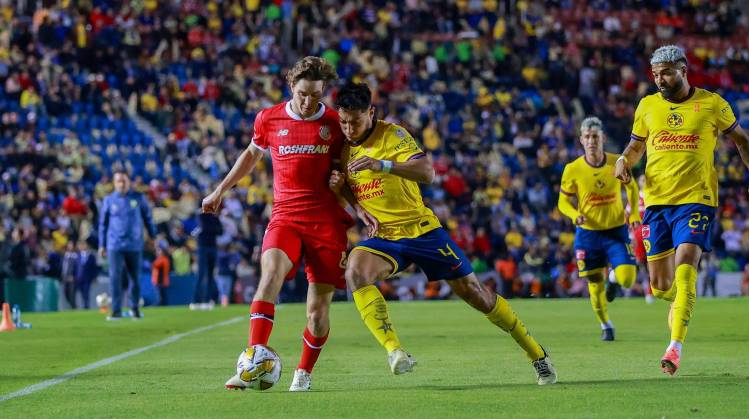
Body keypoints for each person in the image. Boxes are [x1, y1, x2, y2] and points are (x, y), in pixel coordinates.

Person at [329, 82, 557, 385]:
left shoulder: (392, 134)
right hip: (384, 236)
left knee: (475, 294)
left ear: (370, 113)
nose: (347, 128)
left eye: (354, 121)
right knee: (356, 270)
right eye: (343, 121)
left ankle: (536, 354)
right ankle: (395, 351)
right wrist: (356, 208)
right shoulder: (342, 148)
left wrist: (382, 165)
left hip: (422, 230)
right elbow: (345, 185)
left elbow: (427, 173)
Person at [202, 57, 375, 391]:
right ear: (291, 87)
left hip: (326, 222)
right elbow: (251, 155)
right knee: (269, 277)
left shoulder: (334, 123)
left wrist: (357, 204)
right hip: (285, 217)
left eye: (315, 94)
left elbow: (346, 172)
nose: (309, 101)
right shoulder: (269, 118)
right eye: (303, 93)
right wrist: (220, 189)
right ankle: (252, 360)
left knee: (317, 310)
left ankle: (303, 372)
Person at [614, 45, 749, 375]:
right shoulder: (647, 106)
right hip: (655, 202)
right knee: (662, 286)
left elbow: (742, 141)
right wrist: (624, 160)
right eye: (655, 74)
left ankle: (674, 348)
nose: (660, 79)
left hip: (696, 199)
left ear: (683, 70)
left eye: (666, 72)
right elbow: (636, 145)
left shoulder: (712, 104)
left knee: (686, 268)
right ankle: (684, 302)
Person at [558, 117, 640, 341]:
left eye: (595, 136)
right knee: (594, 285)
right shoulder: (572, 169)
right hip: (588, 234)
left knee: (628, 279)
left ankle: (614, 280)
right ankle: (606, 325)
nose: (591, 141)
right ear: (581, 140)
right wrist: (574, 214)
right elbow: (562, 202)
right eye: (587, 137)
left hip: (615, 231)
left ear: (603, 138)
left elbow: (632, 187)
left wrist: (633, 213)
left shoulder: (616, 163)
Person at [98, 170, 157, 321]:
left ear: (128, 182)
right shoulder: (109, 200)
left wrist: (153, 236)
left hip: (134, 244)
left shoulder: (138, 198)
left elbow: (148, 218)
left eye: (124, 181)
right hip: (114, 245)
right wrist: (102, 245)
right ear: (114, 183)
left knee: (135, 278)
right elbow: (103, 224)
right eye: (119, 181)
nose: (122, 184)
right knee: (115, 278)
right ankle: (116, 311)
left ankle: (135, 309)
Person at [191, 211, 222, 310]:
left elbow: (220, 231)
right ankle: (196, 301)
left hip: (212, 247)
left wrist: (212, 228)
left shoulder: (214, 217)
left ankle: (207, 300)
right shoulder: (201, 215)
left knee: (210, 275)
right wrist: (213, 228)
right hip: (203, 248)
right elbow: (206, 227)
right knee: (201, 274)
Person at [74, 241, 98, 309]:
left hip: (87, 278)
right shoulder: (77, 255)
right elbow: (75, 267)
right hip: (78, 277)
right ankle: (81, 305)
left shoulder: (91, 256)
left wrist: (94, 277)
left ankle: (86, 305)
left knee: (86, 292)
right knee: (80, 293)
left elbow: (94, 267)